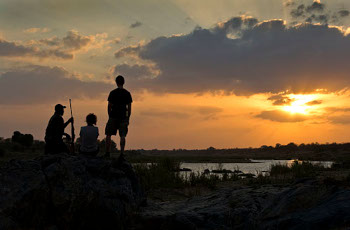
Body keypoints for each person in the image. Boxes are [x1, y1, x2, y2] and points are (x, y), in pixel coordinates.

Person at [105, 75, 132, 158]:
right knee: (123, 135)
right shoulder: (127, 93)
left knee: (108, 134)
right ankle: (122, 153)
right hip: (123, 116)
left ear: (116, 82)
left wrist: (110, 115)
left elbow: (109, 106)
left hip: (113, 116)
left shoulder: (112, 93)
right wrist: (128, 118)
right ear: (123, 82)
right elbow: (129, 108)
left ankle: (107, 153)